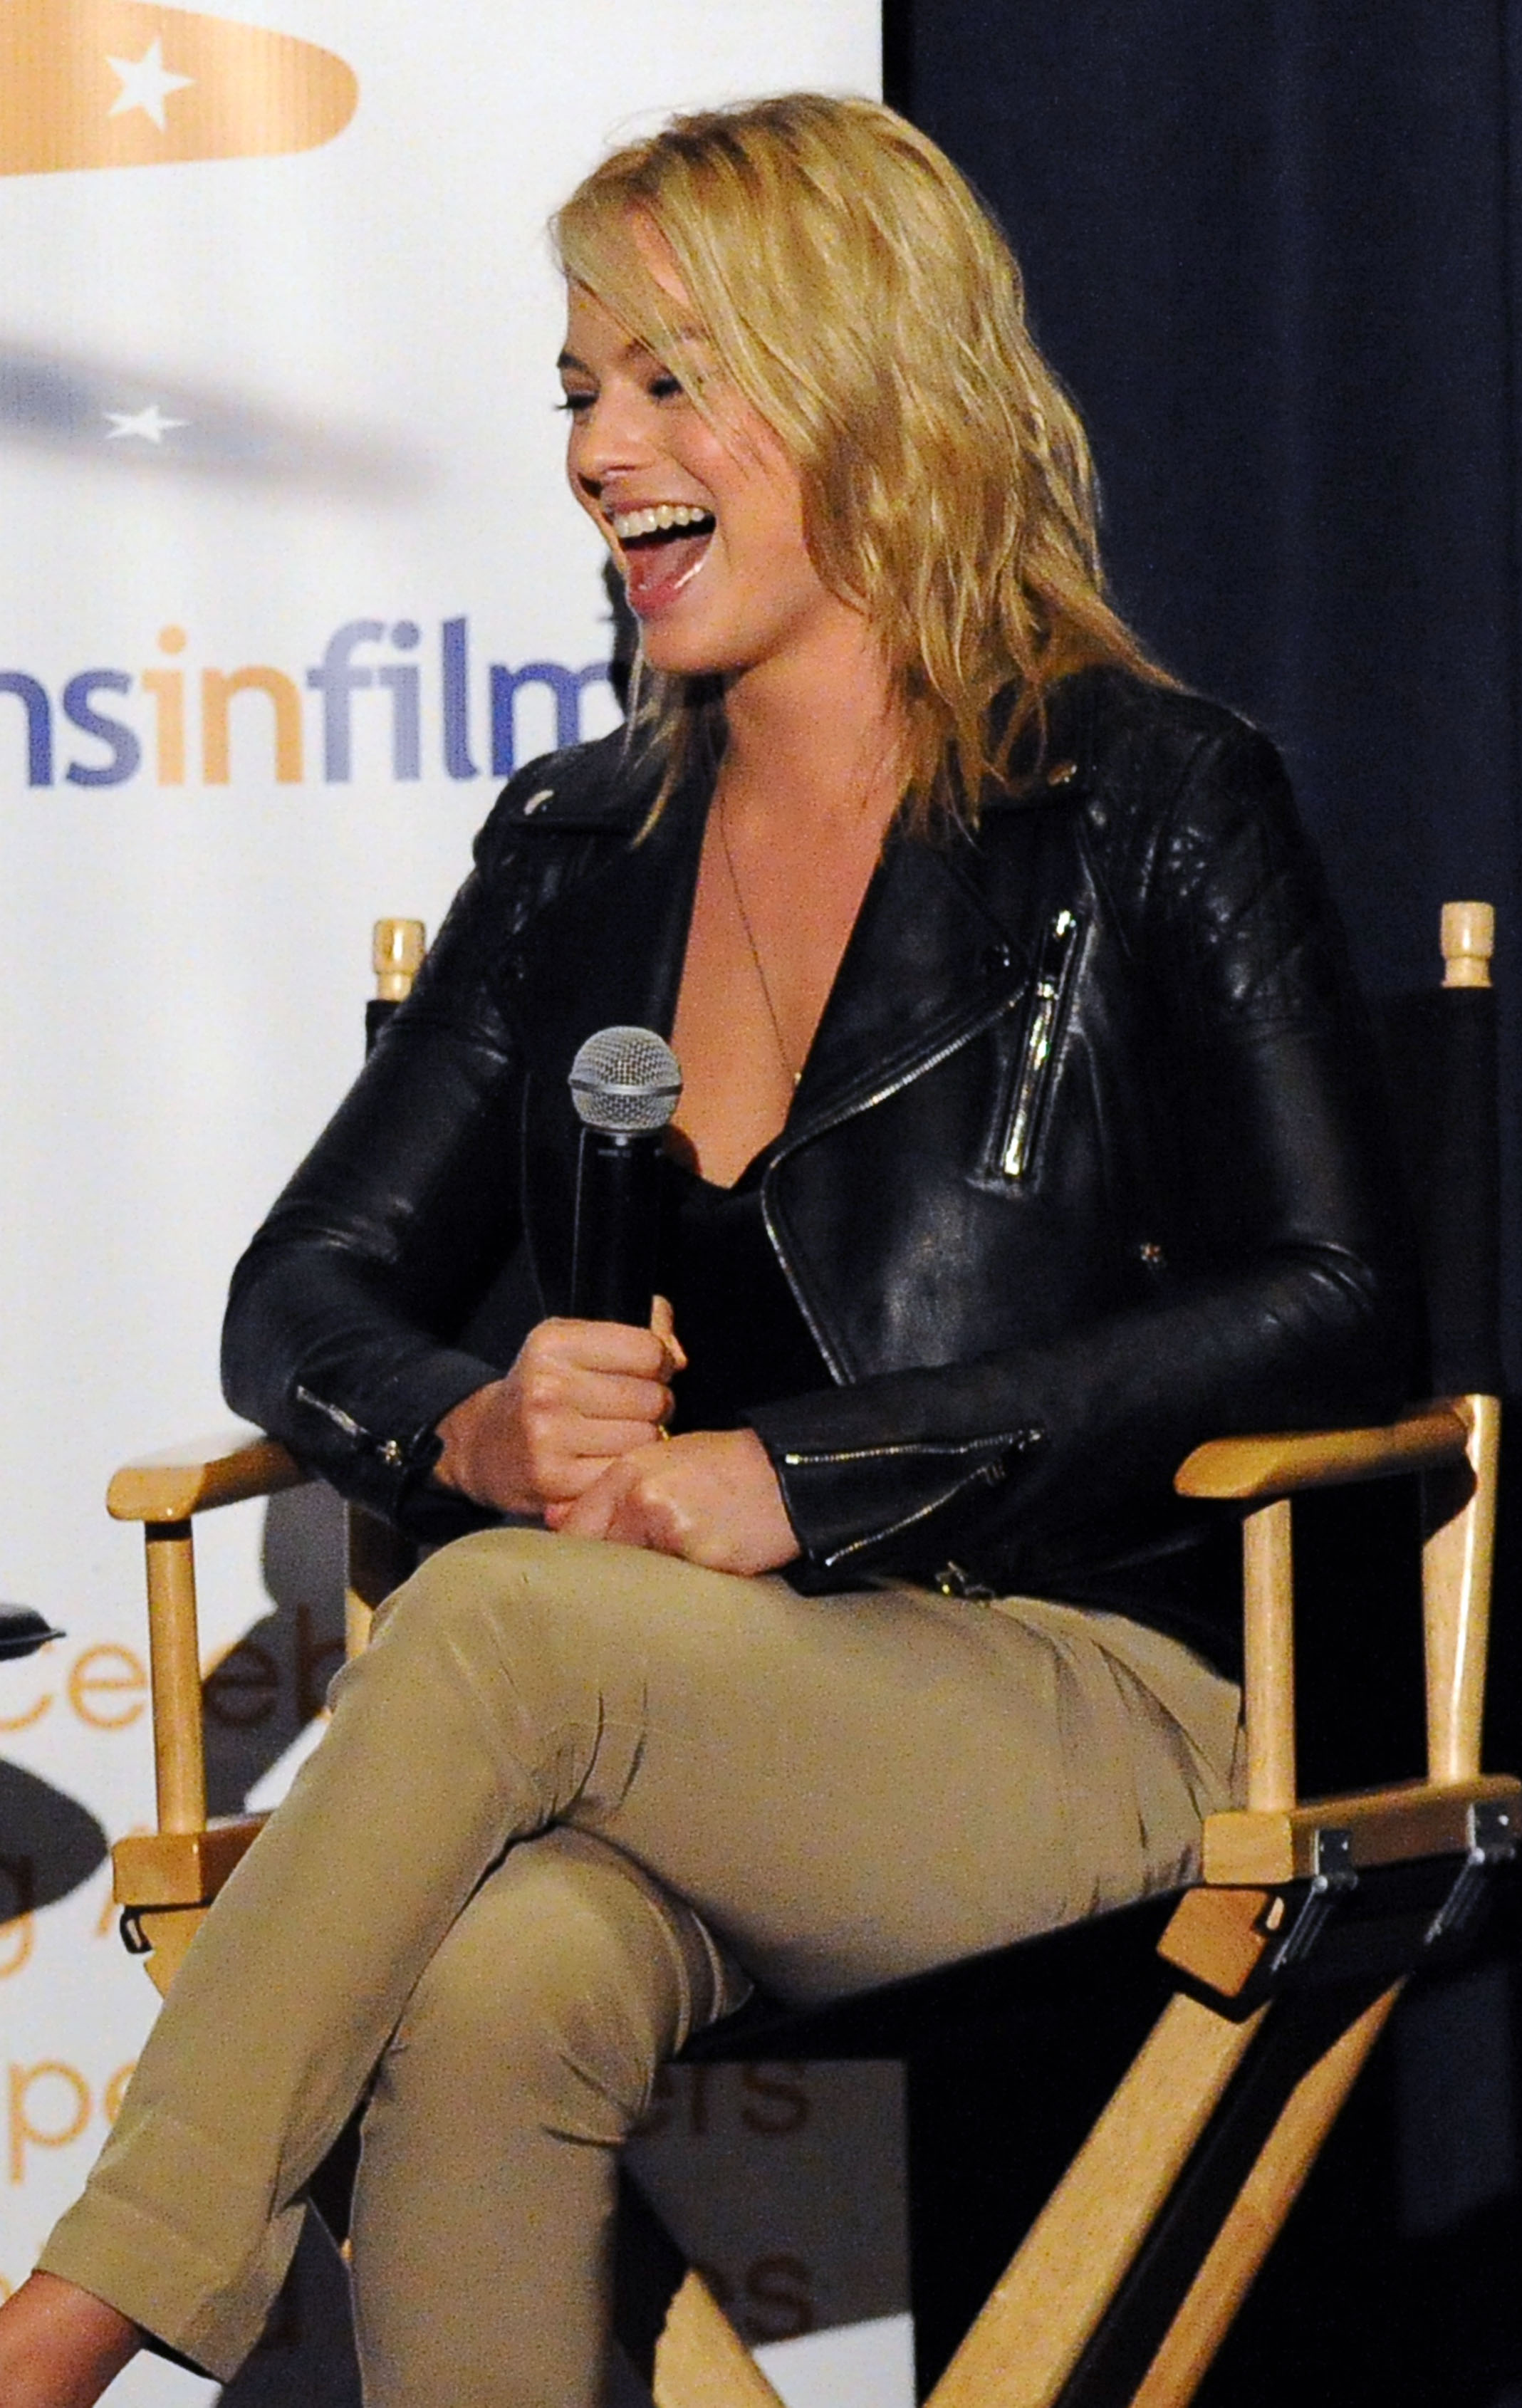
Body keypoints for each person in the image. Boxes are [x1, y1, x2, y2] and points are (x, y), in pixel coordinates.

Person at [0, 92, 1412, 2408]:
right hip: (723, 1713)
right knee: (489, 1993)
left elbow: (1333, 1304)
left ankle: (64, 2331)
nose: (597, 452)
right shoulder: (575, 850)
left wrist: (807, 1472)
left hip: (1100, 1690)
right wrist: (467, 1424)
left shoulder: (1145, 796)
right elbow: (296, 1295)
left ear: (873, 382)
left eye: (670, 379)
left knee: (496, 1624)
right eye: (577, 390)